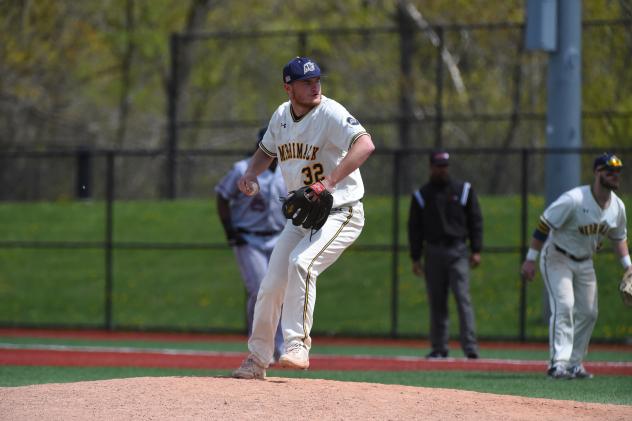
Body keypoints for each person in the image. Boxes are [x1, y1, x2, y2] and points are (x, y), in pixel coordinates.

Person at [232, 56, 375, 380]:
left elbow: (365, 145)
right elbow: (265, 151)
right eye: (305, 82)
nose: (314, 86)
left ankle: (297, 345)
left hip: (342, 211)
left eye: (317, 80)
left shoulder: (331, 112)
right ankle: (257, 360)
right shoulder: (281, 116)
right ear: (288, 87)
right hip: (302, 216)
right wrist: (251, 174)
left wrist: (328, 182)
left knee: (302, 263)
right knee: (270, 286)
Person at [520, 152, 630, 379]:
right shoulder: (575, 199)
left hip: (585, 261)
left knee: (589, 313)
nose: (614, 175)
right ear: (597, 172)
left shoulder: (617, 207)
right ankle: (557, 363)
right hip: (557, 257)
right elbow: (543, 224)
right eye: (609, 170)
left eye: (617, 171)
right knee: (565, 305)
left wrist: (628, 266)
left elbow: (619, 238)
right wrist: (530, 258)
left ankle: (574, 363)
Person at [215, 127, 286, 361]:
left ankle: (280, 348)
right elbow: (222, 196)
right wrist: (230, 231)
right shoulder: (242, 169)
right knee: (259, 289)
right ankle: (258, 346)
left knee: (278, 291)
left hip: (278, 236)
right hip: (249, 238)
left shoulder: (289, 172)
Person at [407, 150, 483, 360]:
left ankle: (470, 348)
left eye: (445, 166)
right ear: (431, 167)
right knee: (437, 301)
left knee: (462, 298)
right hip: (433, 251)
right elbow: (415, 228)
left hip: (458, 250)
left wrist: (476, 249)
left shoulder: (463, 190)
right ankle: (439, 347)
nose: (442, 169)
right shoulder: (422, 195)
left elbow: (475, 220)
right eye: (439, 166)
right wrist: (415, 257)